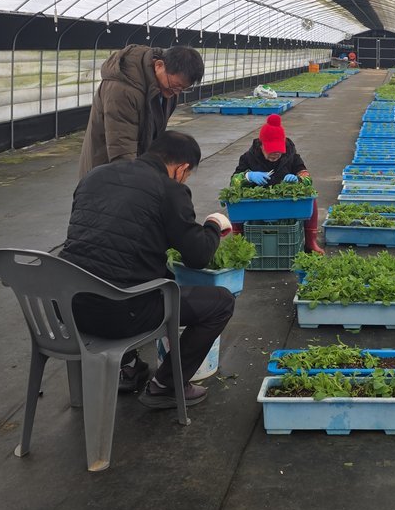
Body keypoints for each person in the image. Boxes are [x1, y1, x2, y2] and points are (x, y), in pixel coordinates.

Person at [60, 131, 236, 408]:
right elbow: (199, 256)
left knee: (125, 269)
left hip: (67, 306)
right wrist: (214, 224)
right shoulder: (169, 189)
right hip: (119, 314)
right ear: (181, 169)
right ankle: (166, 385)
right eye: (187, 175)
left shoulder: (94, 176)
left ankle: (128, 368)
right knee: (221, 302)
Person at [78, 44, 206, 180]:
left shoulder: (167, 88)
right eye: (175, 86)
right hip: (106, 171)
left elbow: (153, 133)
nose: (176, 93)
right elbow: (122, 147)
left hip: (134, 165)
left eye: (182, 89)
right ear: (159, 65)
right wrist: (137, 185)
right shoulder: (123, 89)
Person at [233, 113, 324, 255]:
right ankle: (238, 242)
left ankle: (310, 242)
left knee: (311, 196)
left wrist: (298, 179)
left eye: (278, 151)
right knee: (234, 200)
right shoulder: (248, 158)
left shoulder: (291, 156)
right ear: (261, 145)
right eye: (271, 150)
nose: (275, 154)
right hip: (257, 203)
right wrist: (248, 176)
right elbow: (234, 182)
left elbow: (307, 177)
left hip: (285, 202)